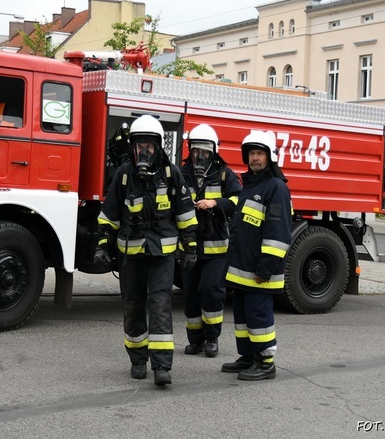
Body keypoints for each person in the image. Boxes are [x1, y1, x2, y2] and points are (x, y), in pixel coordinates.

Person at [94, 115, 198, 386]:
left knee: (161, 304)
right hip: (131, 253)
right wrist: (103, 245)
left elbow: (186, 214)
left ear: (158, 146)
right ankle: (138, 360)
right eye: (141, 146)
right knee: (133, 305)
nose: (145, 151)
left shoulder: (171, 173)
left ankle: (162, 366)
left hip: (162, 254)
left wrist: (190, 248)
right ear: (134, 147)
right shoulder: (124, 174)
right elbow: (110, 214)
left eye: (149, 146)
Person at [221, 131, 292, 381]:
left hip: (260, 272)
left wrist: (265, 268)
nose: (255, 158)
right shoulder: (251, 185)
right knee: (242, 317)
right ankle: (249, 356)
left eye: (259, 153)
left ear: (270, 156)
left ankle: (265, 361)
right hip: (242, 269)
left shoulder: (276, 188)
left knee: (259, 316)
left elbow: (278, 234)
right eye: (251, 153)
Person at [180, 124, 241, 358]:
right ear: (191, 150)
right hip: (190, 246)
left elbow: (238, 201)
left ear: (213, 151)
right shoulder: (182, 173)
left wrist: (216, 204)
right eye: (196, 151)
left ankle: (212, 338)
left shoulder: (224, 173)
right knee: (191, 294)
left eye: (205, 152)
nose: (200, 156)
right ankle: (195, 340)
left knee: (211, 290)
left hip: (216, 248)